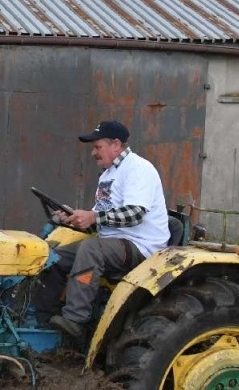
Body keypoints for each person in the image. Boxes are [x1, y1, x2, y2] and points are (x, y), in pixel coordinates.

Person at [48, 119, 169, 345]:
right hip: (114, 242)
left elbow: (135, 213)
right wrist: (75, 218)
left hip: (140, 246)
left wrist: (93, 216)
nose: (93, 153)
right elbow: (101, 219)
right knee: (52, 257)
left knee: (90, 248)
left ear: (116, 144)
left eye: (97, 147)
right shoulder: (107, 175)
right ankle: (41, 317)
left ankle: (75, 320)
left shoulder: (138, 169)